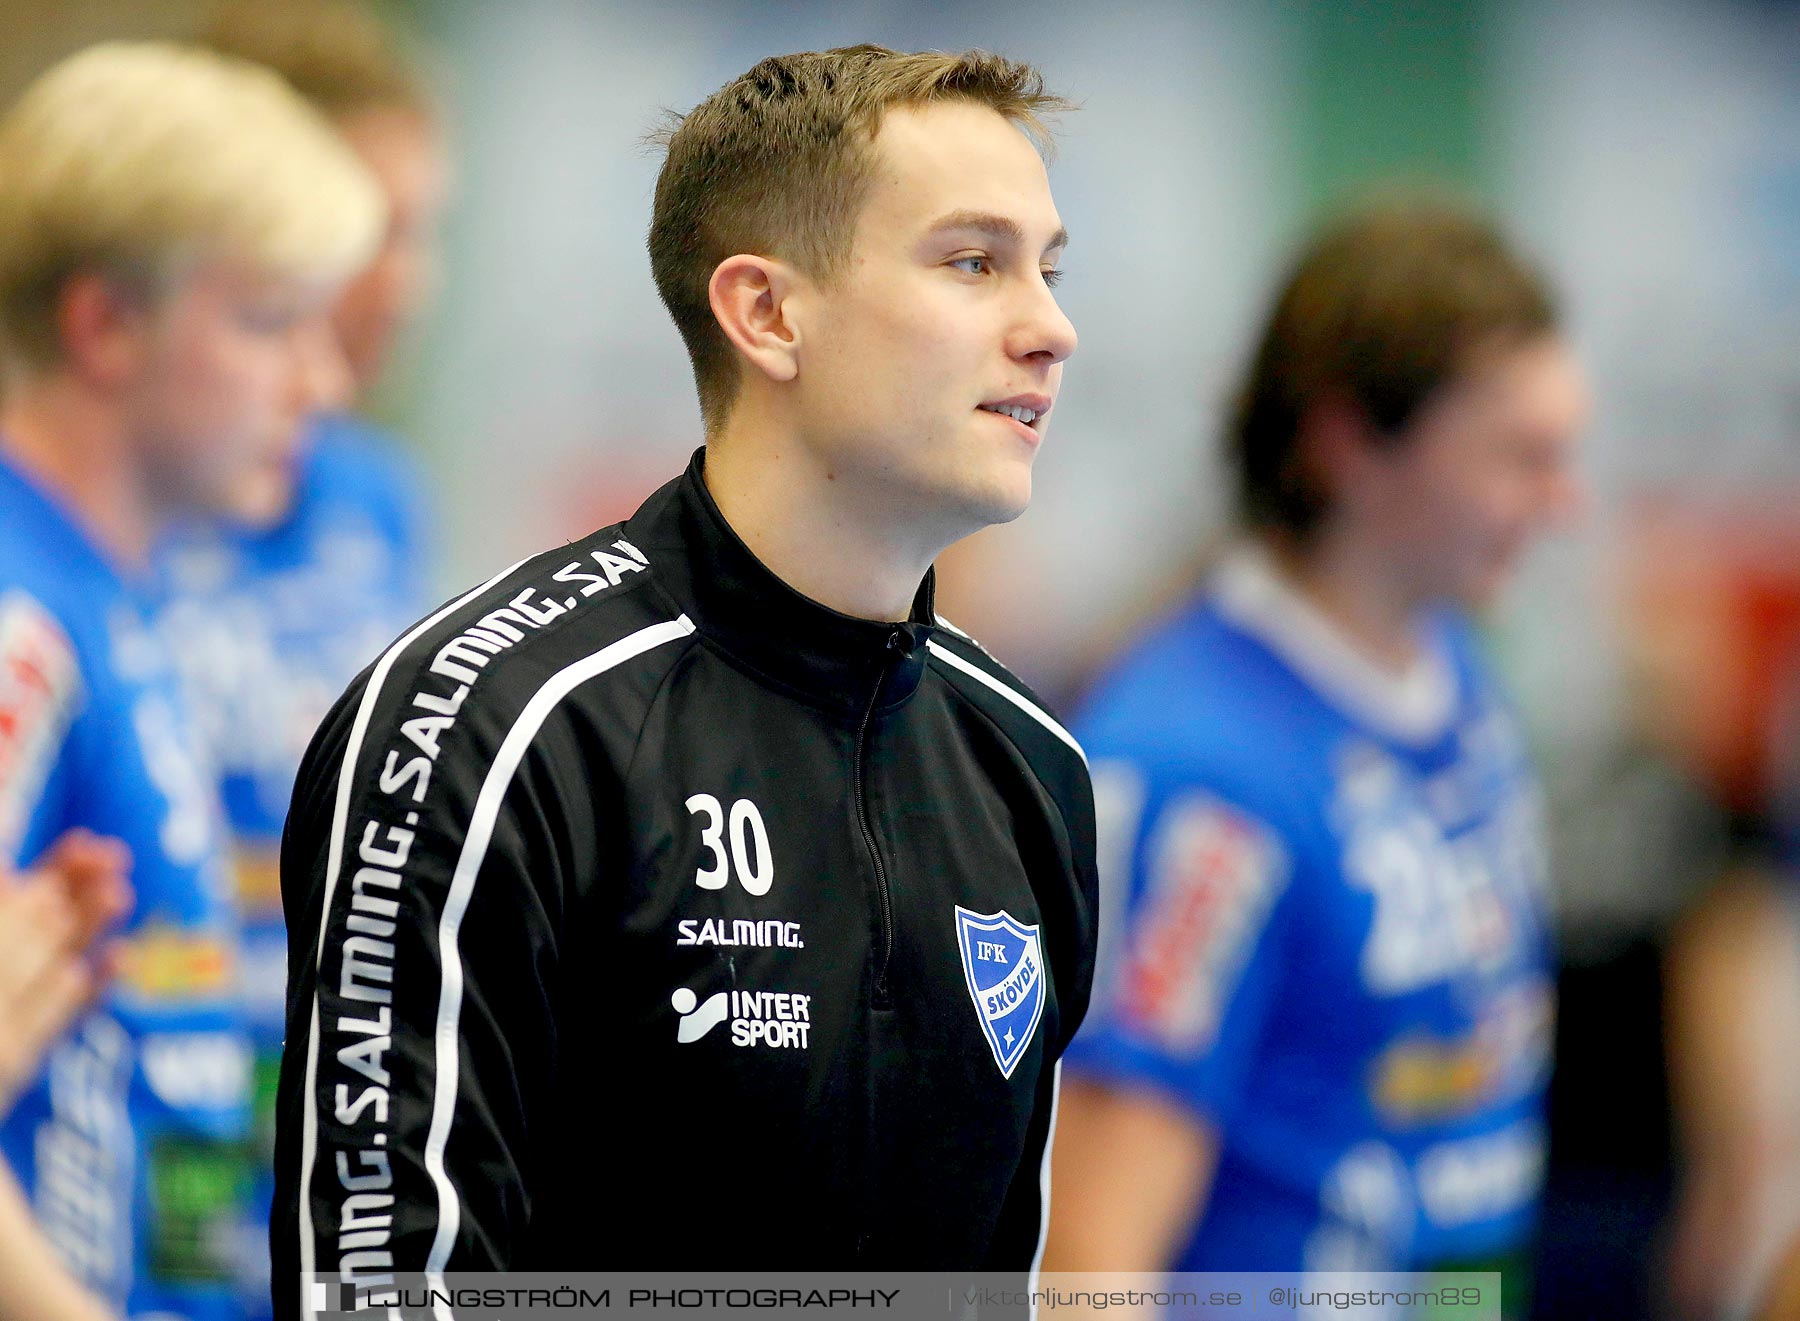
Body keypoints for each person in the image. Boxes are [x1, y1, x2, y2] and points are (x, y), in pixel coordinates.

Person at [272, 44, 1094, 1311]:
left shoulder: (1032, 765)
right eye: (973, 262)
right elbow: (379, 1289)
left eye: (1047, 267)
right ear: (767, 313)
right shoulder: (490, 725)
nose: (1050, 327)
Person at [1043, 202, 1587, 1309]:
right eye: (1515, 457)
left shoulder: (1449, 661)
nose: (1560, 504)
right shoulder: (1197, 770)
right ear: (1350, 448)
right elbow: (1091, 1263)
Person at [0, 40, 383, 1318]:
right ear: (106, 322)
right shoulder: (23, 606)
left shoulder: (133, 594)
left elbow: (183, 1037)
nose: (319, 383)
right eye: (271, 322)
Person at [150, 5, 448, 1312]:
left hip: (309, 1120)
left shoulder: (376, 499)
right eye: (372, 228)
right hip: (111, 1135)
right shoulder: (87, 509)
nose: (404, 279)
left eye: (425, 232)